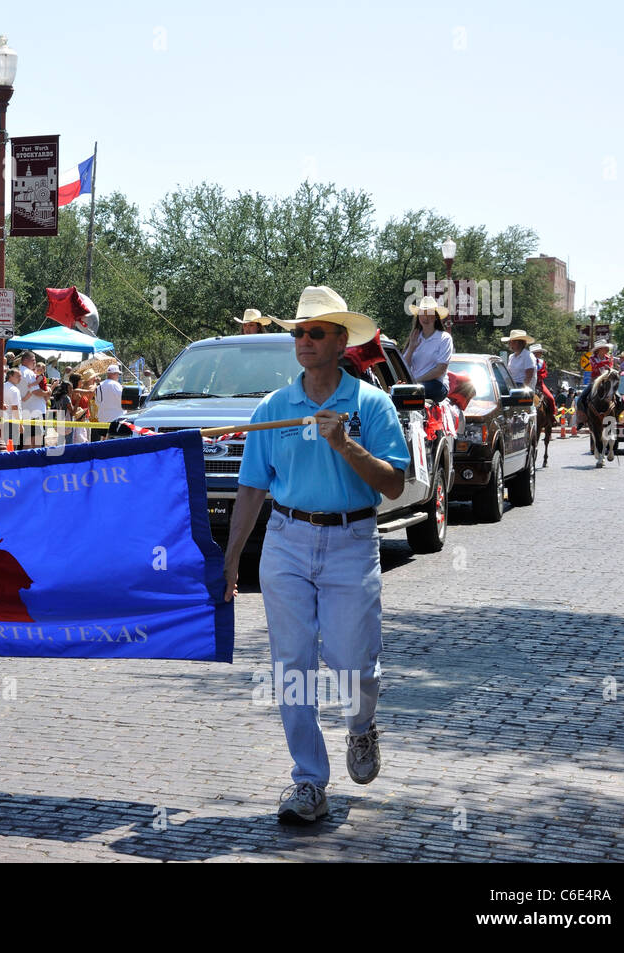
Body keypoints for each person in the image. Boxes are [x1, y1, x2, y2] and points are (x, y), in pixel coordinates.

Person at [222, 286, 409, 825]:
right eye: (297, 332)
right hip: (285, 540)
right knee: (292, 667)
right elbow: (253, 488)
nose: (303, 340)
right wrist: (233, 559)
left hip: (352, 541)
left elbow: (394, 485)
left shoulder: (370, 404)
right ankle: (308, 782)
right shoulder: (273, 408)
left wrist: (344, 443)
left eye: (315, 332)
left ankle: (360, 725)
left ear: (341, 341)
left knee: (354, 662)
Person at [402, 295, 454, 403]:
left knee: (414, 391)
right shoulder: (415, 336)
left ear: (435, 317)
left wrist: (416, 381)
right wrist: (411, 347)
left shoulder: (444, 338)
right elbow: (403, 367)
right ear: (418, 316)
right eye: (422, 314)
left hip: (436, 385)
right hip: (415, 384)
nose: (426, 318)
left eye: (429, 314)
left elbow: (440, 370)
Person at [94, 364, 124, 441]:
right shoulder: (116, 385)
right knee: (114, 442)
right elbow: (122, 399)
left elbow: (97, 402)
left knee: (103, 440)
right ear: (114, 374)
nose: (118, 376)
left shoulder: (99, 386)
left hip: (102, 419)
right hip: (116, 419)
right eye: (118, 374)